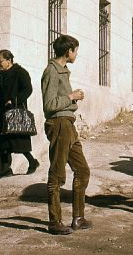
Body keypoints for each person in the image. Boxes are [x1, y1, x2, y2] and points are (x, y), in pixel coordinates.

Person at [41, 35, 91, 235]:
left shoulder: (62, 71)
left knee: (83, 170)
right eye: (75, 50)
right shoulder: (52, 71)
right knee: (57, 174)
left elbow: (61, 101)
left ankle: (78, 218)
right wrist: (71, 97)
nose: (76, 54)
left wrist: (73, 100)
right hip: (59, 124)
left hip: (68, 125)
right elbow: (49, 104)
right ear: (68, 51)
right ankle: (54, 221)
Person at [0, 49, 38, 177]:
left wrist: (14, 101)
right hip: (2, 113)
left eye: (0, 61)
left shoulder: (20, 72)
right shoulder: (1, 75)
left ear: (9, 60)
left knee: (18, 140)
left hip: (15, 111)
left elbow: (28, 89)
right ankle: (6, 170)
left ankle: (32, 162)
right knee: (3, 144)